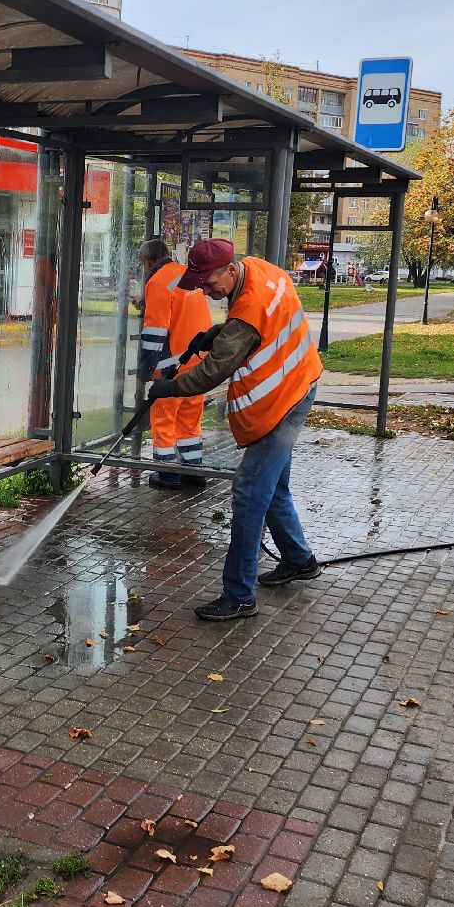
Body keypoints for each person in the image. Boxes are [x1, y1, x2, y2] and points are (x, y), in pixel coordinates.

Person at [147, 239, 322, 621]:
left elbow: (214, 370)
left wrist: (169, 387)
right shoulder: (260, 268)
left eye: (208, 283)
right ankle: (298, 559)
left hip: (283, 401)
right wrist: (219, 332)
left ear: (229, 269)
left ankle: (239, 594)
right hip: (301, 381)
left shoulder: (248, 312)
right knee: (272, 487)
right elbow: (251, 325)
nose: (205, 291)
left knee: (248, 492)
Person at [136, 239, 213, 489]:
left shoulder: (158, 282)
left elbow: (155, 332)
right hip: (198, 362)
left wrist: (147, 368)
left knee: (164, 418)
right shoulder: (186, 275)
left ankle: (167, 472)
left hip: (172, 365)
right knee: (190, 419)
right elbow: (181, 311)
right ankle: (194, 470)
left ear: (148, 262)